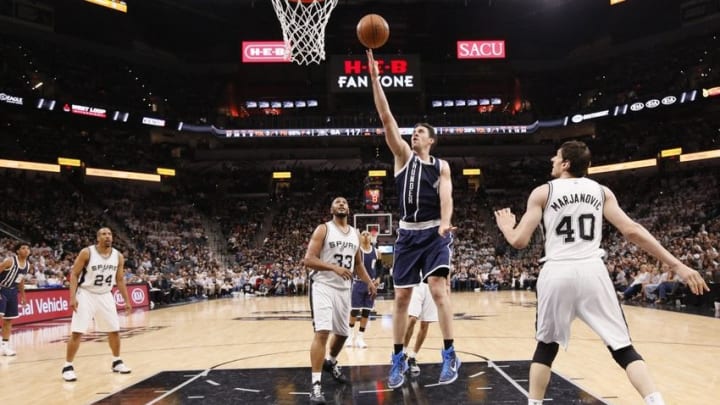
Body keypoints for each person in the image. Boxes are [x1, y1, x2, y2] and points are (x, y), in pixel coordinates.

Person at [494, 140, 710, 405]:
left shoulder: (542, 192)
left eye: (556, 157)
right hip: (592, 271)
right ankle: (655, 402)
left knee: (546, 347)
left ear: (565, 164)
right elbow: (632, 230)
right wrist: (677, 265)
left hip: (557, 271)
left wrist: (507, 227)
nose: (551, 160)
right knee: (622, 347)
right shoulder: (601, 191)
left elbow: (519, 241)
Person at [367, 48, 460, 389]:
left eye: (421, 132)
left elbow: (446, 198)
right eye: (414, 131)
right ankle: (397, 359)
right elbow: (386, 116)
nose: (415, 134)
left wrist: (445, 222)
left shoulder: (441, 166)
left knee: (438, 289)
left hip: (434, 233)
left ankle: (450, 353)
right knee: (402, 298)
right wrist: (376, 80)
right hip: (407, 235)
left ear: (431, 140)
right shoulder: (403, 157)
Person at [304, 197, 377, 404]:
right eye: (337, 202)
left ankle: (331, 362)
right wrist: (333, 267)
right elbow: (308, 259)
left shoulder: (355, 233)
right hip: (323, 286)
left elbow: (359, 265)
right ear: (331, 209)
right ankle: (316, 385)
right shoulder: (323, 229)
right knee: (323, 332)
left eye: (344, 202)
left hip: (345, 289)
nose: (341, 204)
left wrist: (370, 282)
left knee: (344, 333)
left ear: (349, 208)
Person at [62, 227, 133, 382]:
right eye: (103, 234)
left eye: (109, 234)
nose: (107, 236)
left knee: (114, 330)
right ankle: (67, 366)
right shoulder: (87, 252)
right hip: (86, 293)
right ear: (98, 238)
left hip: (105, 294)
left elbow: (119, 280)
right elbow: (74, 274)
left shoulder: (118, 256)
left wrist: (127, 300)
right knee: (77, 331)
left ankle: (117, 361)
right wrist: (72, 297)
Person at [346, 230, 382, 349]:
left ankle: (360, 338)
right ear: (359, 237)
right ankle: (350, 336)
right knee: (354, 311)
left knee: (366, 312)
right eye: (363, 234)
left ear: (371, 237)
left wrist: (378, 278)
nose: (366, 236)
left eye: (368, 234)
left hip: (371, 285)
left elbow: (380, 268)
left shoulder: (377, 252)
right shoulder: (356, 251)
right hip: (358, 283)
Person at [403, 282, 441, 376]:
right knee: (412, 319)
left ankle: (412, 357)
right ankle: (402, 353)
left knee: (425, 323)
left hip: (431, 285)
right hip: (417, 283)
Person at [0, 242, 30, 356]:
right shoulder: (10, 261)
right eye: (23, 248)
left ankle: (4, 347)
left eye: (28, 248)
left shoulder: (27, 265)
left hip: (12, 291)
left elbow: (20, 280)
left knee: (8, 320)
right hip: (2, 289)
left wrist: (23, 295)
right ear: (17, 251)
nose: (26, 250)